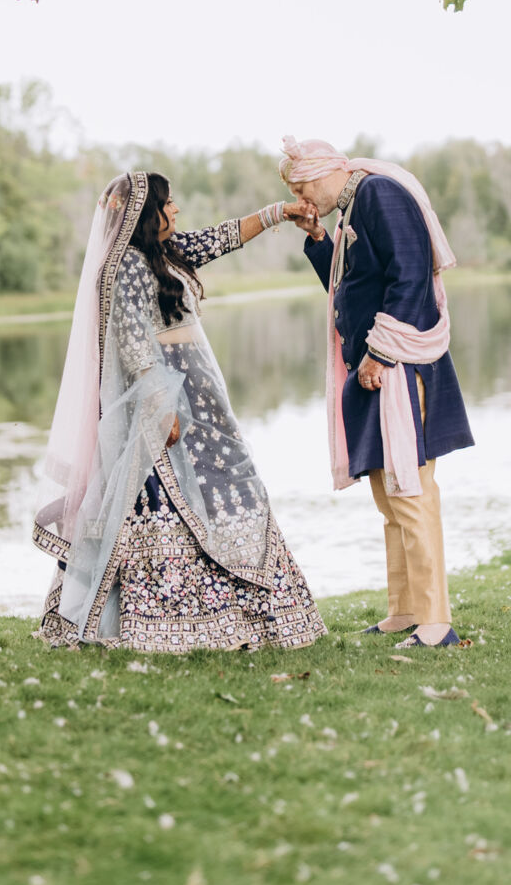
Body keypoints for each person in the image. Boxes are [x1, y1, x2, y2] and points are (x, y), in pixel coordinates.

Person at [33, 170, 326, 654]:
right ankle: (171, 617)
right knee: (167, 501)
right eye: (168, 203)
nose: (175, 209)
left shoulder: (164, 252)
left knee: (233, 487)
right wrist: (161, 405)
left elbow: (223, 237)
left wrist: (281, 212)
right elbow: (132, 340)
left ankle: (246, 612)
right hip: (167, 401)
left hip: (202, 397)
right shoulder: (127, 264)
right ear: (148, 213)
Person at [279, 136, 474, 649]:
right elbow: (349, 288)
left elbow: (409, 277)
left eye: (300, 187)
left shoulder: (378, 194)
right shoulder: (352, 206)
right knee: (390, 499)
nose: (300, 197)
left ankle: (436, 624)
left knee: (412, 494)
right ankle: (404, 610)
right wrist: (319, 239)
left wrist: (381, 354)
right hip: (376, 368)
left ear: (324, 173)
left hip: (397, 368)